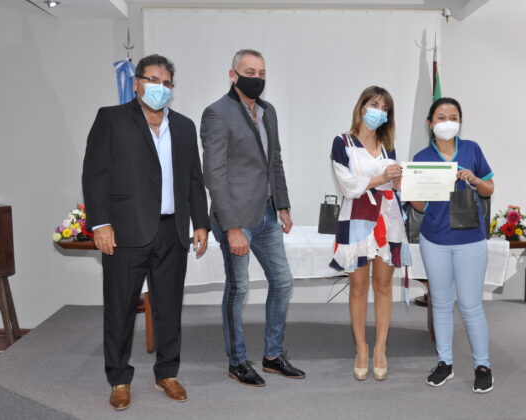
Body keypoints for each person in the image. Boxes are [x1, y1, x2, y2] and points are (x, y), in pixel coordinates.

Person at [82, 54, 210, 410]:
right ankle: (119, 378)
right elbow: (95, 174)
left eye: (166, 83)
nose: (159, 87)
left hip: (173, 232)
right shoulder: (111, 119)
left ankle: (167, 373)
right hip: (124, 233)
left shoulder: (183, 126)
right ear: (137, 83)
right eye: (153, 80)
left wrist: (200, 222)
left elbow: (194, 180)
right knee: (120, 308)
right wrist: (100, 223)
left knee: (168, 307)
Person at [200, 49, 305, 387]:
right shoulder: (217, 113)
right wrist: (231, 227)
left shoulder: (268, 111)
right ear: (233, 75)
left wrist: (283, 205)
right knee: (239, 288)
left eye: (261, 73)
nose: (256, 78)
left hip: (267, 214)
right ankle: (237, 361)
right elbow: (214, 174)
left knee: (283, 281)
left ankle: (273, 356)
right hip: (236, 218)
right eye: (249, 72)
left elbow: (275, 160)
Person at [410, 97, 495, 393]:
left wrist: (474, 179)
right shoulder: (421, 158)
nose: (448, 122)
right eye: (441, 117)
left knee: (471, 306)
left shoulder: (472, 149)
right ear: (430, 123)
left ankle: (482, 366)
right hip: (435, 240)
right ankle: (444, 362)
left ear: (460, 121)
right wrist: (406, 189)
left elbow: (489, 188)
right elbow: (419, 206)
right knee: (441, 303)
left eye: (454, 117)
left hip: (470, 240)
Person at [330, 86, 412, 381]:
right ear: (362, 106)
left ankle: (380, 348)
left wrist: (399, 183)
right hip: (356, 222)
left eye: (385, 108)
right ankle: (361, 348)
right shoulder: (343, 142)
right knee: (358, 287)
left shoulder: (388, 146)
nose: (379, 111)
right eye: (375, 104)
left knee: (384, 286)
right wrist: (381, 177)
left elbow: (391, 186)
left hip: (388, 222)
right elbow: (349, 187)